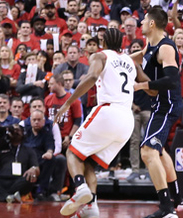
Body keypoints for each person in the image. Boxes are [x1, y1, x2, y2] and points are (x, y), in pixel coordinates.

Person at [54, 28, 137, 217]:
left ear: (104, 43)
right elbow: (148, 86)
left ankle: (80, 187)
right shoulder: (130, 61)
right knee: (88, 161)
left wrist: (67, 103)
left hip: (108, 111)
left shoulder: (100, 56)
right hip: (127, 120)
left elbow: (91, 77)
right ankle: (91, 205)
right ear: (122, 43)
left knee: (72, 152)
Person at [133, 7, 183, 218]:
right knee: (160, 151)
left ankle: (167, 208)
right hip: (159, 106)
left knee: (147, 152)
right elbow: (139, 56)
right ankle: (178, 199)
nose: (141, 24)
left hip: (167, 106)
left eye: (144, 20)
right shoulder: (150, 45)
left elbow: (172, 80)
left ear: (152, 24)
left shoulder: (165, 48)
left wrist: (141, 86)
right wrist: (116, 60)